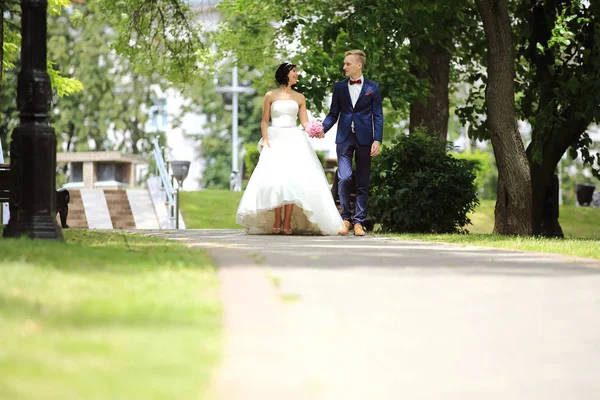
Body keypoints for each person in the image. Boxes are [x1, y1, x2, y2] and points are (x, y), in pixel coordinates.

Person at [236, 63, 344, 235]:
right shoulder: (270, 95)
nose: (297, 74)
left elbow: (305, 122)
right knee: (277, 180)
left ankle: (287, 221)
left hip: (294, 139)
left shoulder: (300, 97)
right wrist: (265, 139)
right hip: (275, 139)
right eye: (294, 71)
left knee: (293, 180)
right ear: (285, 74)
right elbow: (265, 120)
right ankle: (277, 219)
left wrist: (315, 130)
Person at [323, 50, 383, 236]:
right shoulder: (339, 87)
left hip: (365, 139)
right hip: (344, 137)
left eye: (348, 63)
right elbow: (334, 113)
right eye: (344, 63)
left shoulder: (373, 87)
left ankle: (359, 222)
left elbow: (378, 116)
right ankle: (345, 219)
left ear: (359, 65)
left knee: (363, 181)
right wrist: (321, 129)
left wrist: (377, 140)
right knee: (345, 177)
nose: (344, 67)